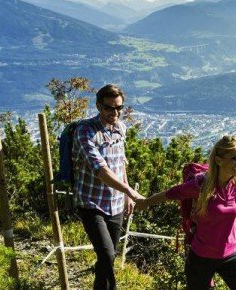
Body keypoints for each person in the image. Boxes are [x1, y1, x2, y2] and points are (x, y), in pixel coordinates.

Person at [137, 135, 236, 290]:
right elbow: (170, 193)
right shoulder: (200, 185)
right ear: (218, 160)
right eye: (234, 158)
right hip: (201, 257)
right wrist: (145, 202)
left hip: (230, 255)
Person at [73, 84, 145, 290]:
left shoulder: (120, 128)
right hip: (90, 202)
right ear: (98, 106)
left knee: (108, 257)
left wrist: (126, 195)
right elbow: (101, 171)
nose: (115, 113)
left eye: (119, 108)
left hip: (115, 204)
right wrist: (130, 192)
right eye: (109, 108)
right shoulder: (85, 131)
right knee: (106, 253)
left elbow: (121, 163)